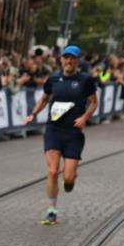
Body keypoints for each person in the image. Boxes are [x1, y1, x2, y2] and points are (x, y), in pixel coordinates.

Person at [25, 45, 98, 225]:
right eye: (66, 57)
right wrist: (33, 114)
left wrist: (84, 117)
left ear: (78, 60)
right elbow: (44, 99)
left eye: (73, 58)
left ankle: (71, 178)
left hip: (73, 133)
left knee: (68, 179)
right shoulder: (53, 79)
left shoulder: (85, 80)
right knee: (52, 171)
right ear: (61, 59)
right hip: (54, 130)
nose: (69, 61)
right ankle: (51, 211)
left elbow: (94, 103)